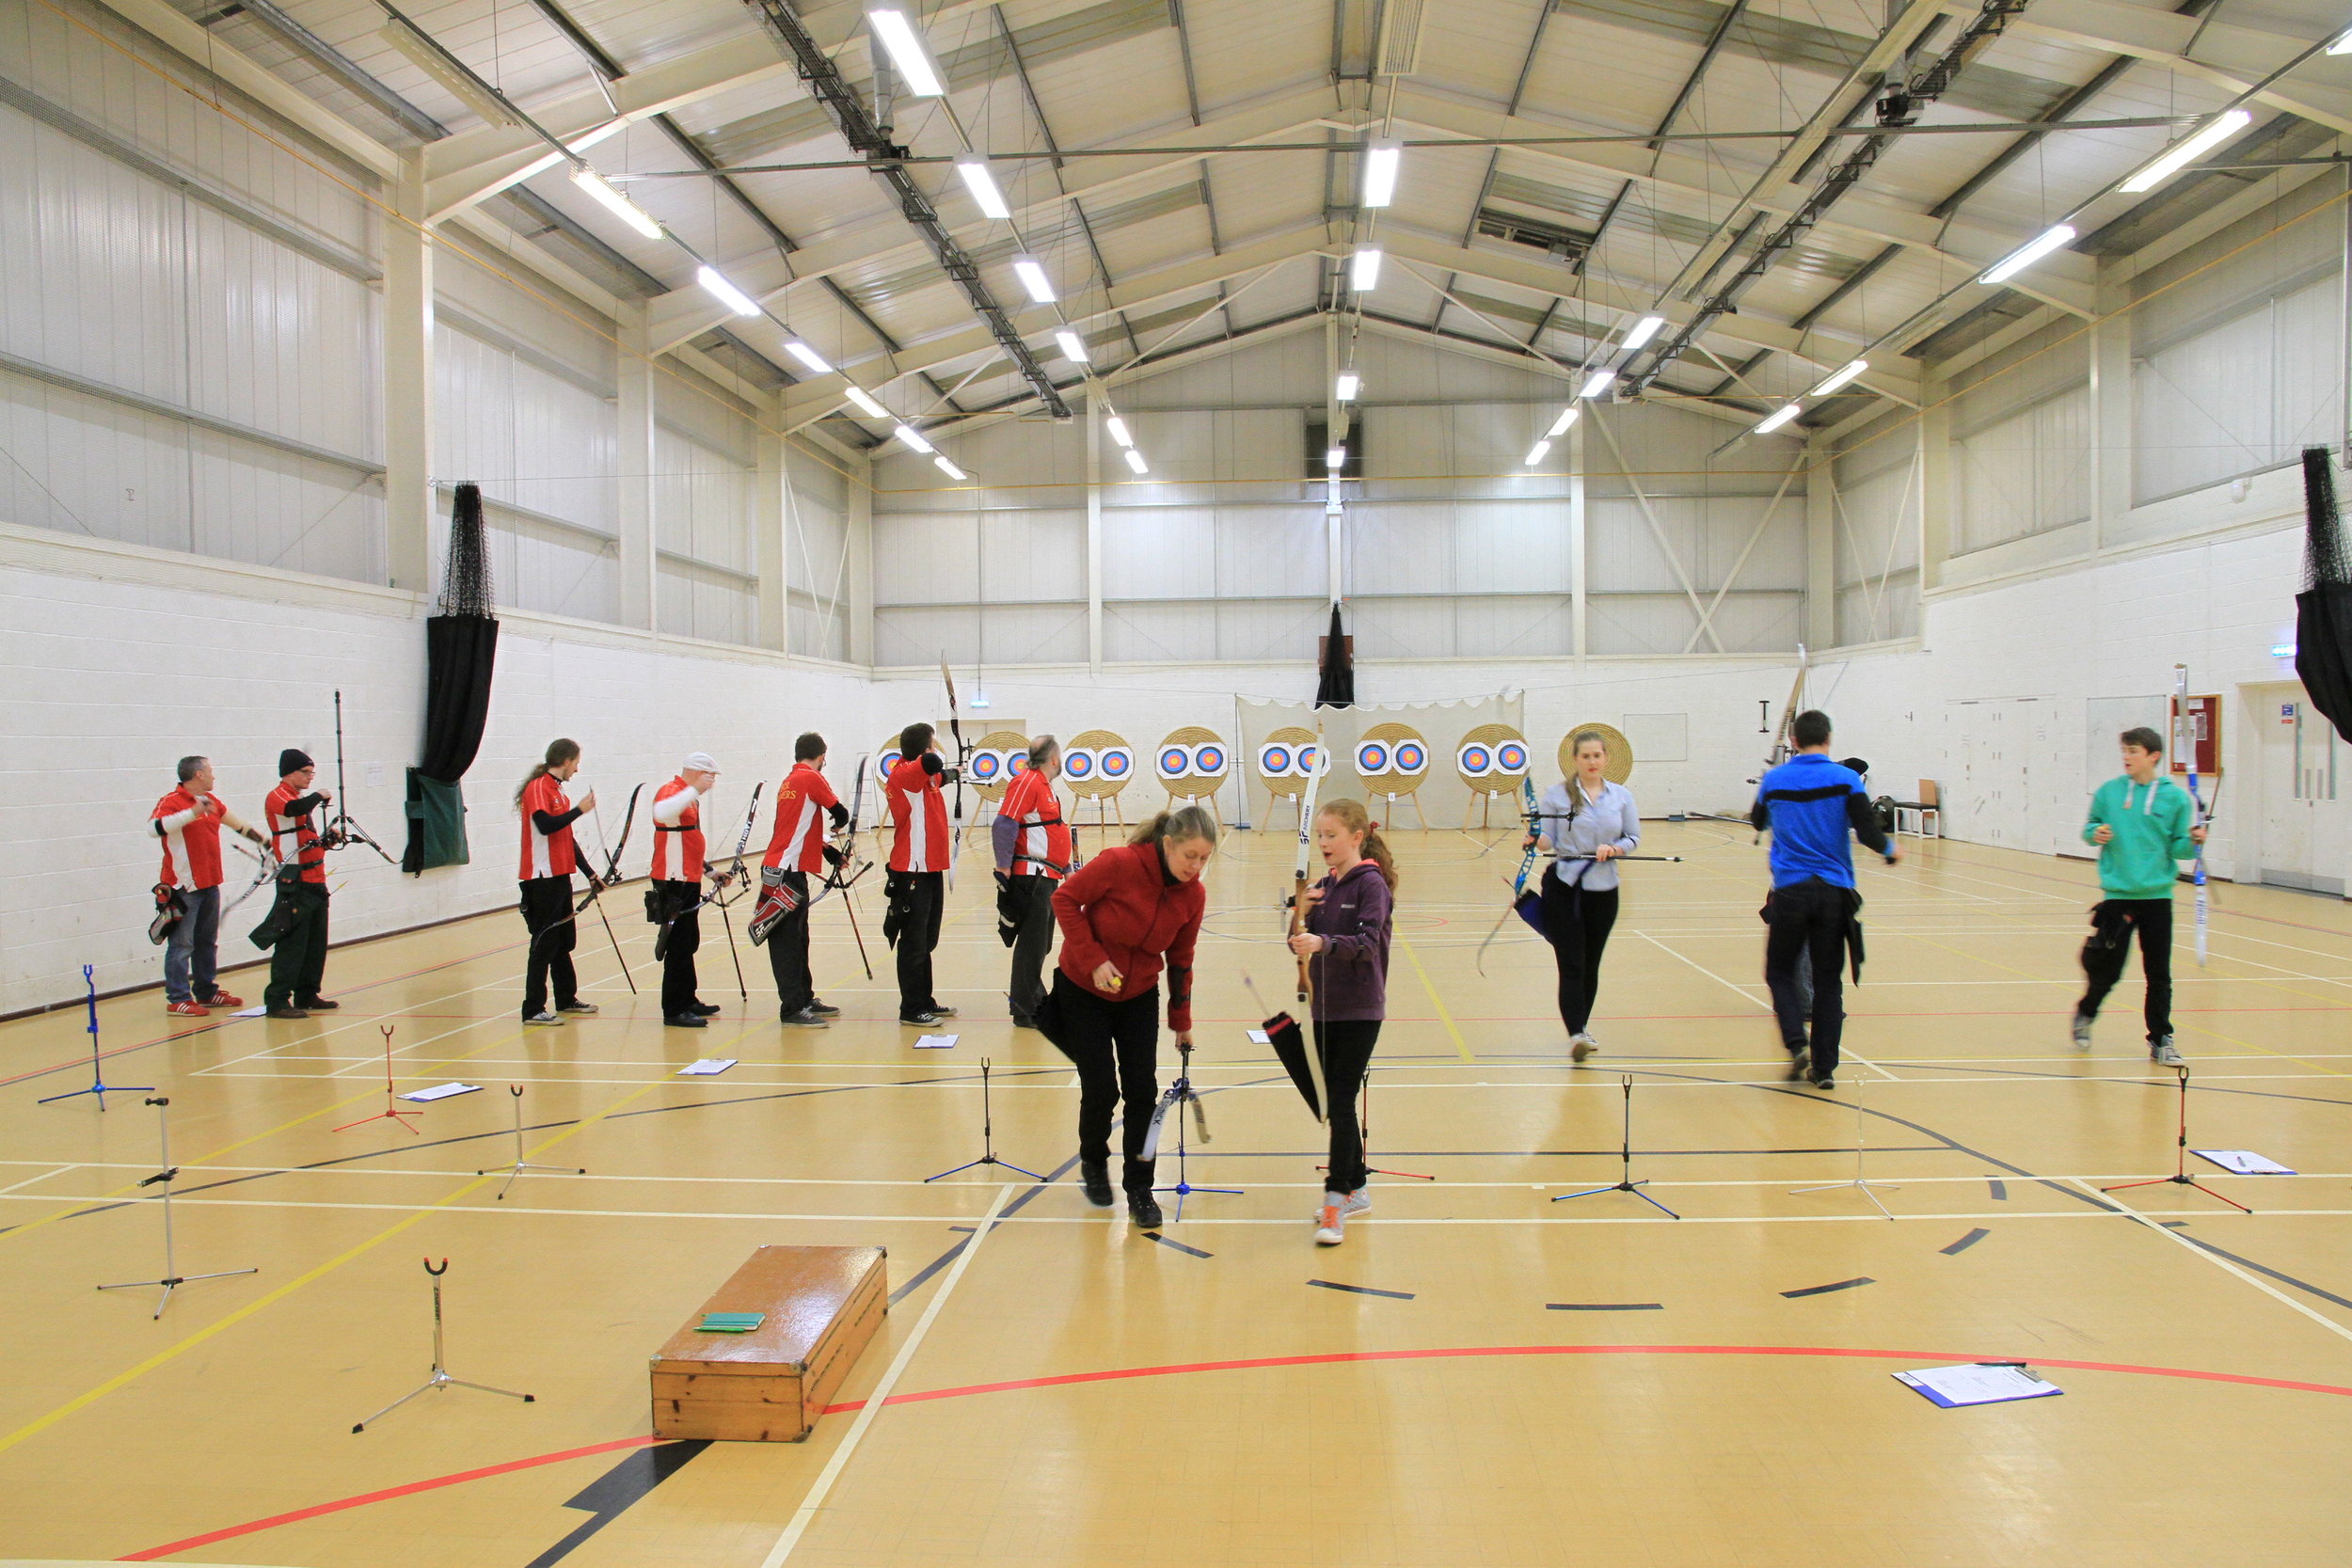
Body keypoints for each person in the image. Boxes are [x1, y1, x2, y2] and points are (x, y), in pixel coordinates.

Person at [1050, 804, 1216, 1227]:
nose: (1195, 867)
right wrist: (1094, 959)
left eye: (1203, 859)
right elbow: (1064, 899)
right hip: (1084, 988)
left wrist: (1182, 1020)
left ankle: (1140, 1187)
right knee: (1102, 1088)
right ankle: (1092, 1162)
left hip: (1138, 993)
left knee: (1143, 1092)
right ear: (1167, 845)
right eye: (1189, 857)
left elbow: (1181, 957)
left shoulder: (1193, 895)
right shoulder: (1119, 864)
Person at [1749, 710, 1900, 1089]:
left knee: (1780, 972)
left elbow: (1756, 820)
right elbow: (1868, 831)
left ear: (1795, 742)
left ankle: (1796, 1042)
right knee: (1829, 981)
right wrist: (1890, 849)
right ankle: (1825, 1068)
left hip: (1791, 891)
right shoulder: (1847, 779)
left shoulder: (1776, 779)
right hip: (1834, 893)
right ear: (1828, 740)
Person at [1287, 799, 1395, 1246]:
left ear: (1356, 838)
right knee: (1334, 1102)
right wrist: (1301, 911)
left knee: (1342, 1099)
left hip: (1359, 1009)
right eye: (1320, 836)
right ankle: (1358, 1187)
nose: (1324, 844)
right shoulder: (1322, 886)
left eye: (1332, 835)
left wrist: (1323, 940)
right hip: (1324, 1008)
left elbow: (1367, 943)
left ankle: (1337, 1202)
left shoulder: (1371, 886)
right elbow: (1295, 942)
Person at [2073, 726, 2204, 1066]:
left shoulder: (2174, 798)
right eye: (2124, 751)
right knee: (2108, 971)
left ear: (2153, 756)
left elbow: (2179, 848)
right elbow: (2089, 829)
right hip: (2118, 897)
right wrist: (2095, 833)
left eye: (2133, 751)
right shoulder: (2109, 792)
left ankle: (2161, 1038)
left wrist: (2195, 840)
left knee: (2158, 973)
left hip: (2157, 898)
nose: (2126, 757)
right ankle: (2086, 1012)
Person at [1533, 730, 1639, 1063]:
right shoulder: (1556, 796)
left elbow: (1633, 837)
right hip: (1565, 888)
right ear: (1575, 760)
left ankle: (1582, 1026)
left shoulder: (1621, 796)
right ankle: (1576, 1033)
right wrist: (1536, 840)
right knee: (1572, 962)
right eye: (1585, 756)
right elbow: (1546, 839)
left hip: (1604, 891)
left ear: (1606, 758)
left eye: (1597, 756)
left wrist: (1616, 847)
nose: (1592, 761)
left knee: (1591, 963)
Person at [150, 755, 266, 1017]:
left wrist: (266, 843)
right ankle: (178, 998)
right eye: (210, 772)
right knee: (182, 945)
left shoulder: (212, 802)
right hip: (183, 887)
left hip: (210, 882)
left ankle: (206, 991)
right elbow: (154, 828)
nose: (214, 776)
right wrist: (192, 813)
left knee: (207, 941)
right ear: (199, 775)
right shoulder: (171, 802)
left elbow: (237, 824)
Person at [762, 733, 850, 1028]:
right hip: (785, 872)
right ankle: (791, 1008)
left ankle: (803, 997)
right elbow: (841, 812)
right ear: (821, 755)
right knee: (787, 942)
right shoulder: (810, 777)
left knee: (799, 938)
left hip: (783, 869)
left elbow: (797, 829)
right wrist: (839, 823)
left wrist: (830, 853)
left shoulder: (790, 781)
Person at [516, 739, 598, 1026]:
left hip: (560, 876)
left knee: (563, 942)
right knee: (544, 943)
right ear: (565, 760)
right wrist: (579, 810)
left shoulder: (558, 792)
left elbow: (566, 837)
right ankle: (532, 1008)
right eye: (575, 762)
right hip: (542, 878)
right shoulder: (539, 787)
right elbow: (545, 825)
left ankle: (566, 997)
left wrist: (589, 873)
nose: (577, 768)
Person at [996, 736, 1074, 1028]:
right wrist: (1004, 867)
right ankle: (1025, 1008)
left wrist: (1065, 867)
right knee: (1032, 944)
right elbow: (1004, 822)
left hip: (1047, 874)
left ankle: (1034, 998)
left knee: (1040, 944)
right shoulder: (1027, 781)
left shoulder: (1044, 786)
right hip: (1031, 876)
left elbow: (1050, 830)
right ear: (1053, 759)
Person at [883, 722, 959, 1027]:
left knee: (926, 939)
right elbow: (931, 765)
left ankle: (925, 1000)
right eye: (932, 743)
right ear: (923, 749)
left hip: (930, 868)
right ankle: (911, 1008)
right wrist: (934, 753)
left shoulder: (922, 778)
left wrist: (956, 773)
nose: (935, 748)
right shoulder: (903, 774)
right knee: (913, 942)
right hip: (911, 869)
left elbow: (939, 775)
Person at [258, 749, 336, 1019]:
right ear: (289, 772)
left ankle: (307, 993)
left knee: (316, 941)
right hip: (296, 881)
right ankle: (278, 1000)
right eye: (305, 772)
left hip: (316, 880)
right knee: (293, 943)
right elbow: (294, 810)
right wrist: (319, 796)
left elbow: (305, 836)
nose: (310, 778)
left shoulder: (301, 799)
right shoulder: (279, 796)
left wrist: (327, 840)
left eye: (312, 773)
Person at [651, 752, 723, 1028]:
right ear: (697, 773)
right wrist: (694, 788)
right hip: (673, 881)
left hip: (689, 878)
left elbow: (688, 841)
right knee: (678, 945)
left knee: (689, 941)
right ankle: (674, 1008)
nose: (712, 782)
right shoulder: (672, 792)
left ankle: (688, 998)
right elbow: (661, 813)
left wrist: (710, 871)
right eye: (710, 776)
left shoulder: (688, 797)